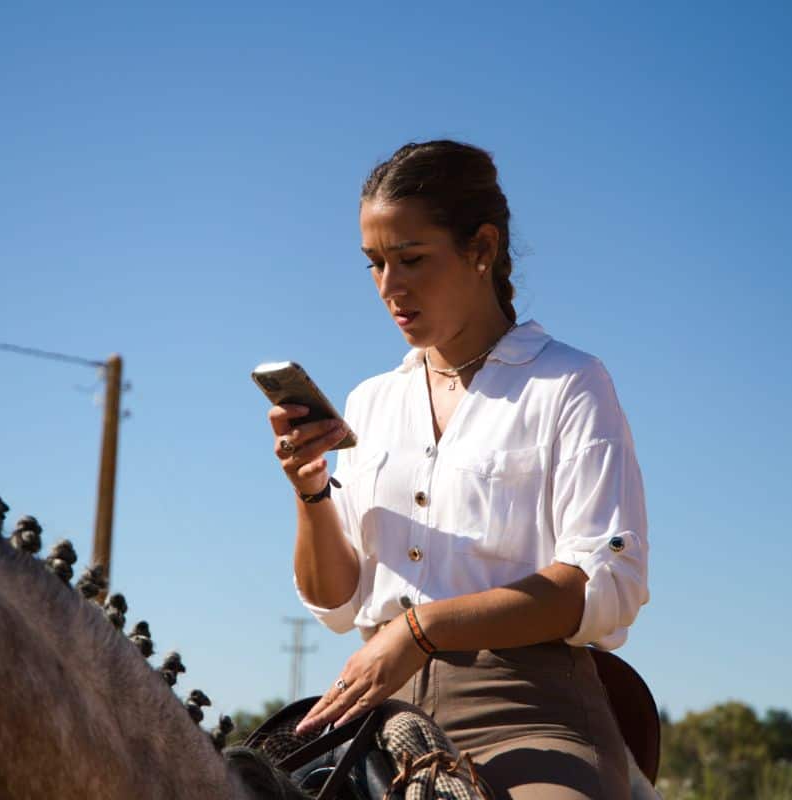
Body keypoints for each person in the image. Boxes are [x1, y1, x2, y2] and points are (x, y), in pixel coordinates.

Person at [265, 140, 650, 800]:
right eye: (376, 264)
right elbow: (337, 603)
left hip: (527, 715)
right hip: (374, 715)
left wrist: (422, 630)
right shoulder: (370, 402)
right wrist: (310, 492)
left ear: (482, 248)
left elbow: (599, 585)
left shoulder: (569, 383)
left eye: (412, 259)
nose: (390, 286)